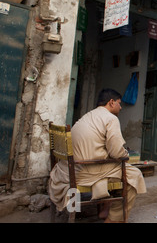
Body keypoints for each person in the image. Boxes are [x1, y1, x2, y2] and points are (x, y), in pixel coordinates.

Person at [48, 88, 146, 223]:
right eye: (119, 103)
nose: (121, 107)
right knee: (135, 175)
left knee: (122, 170)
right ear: (111, 102)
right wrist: (126, 155)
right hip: (86, 170)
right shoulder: (111, 119)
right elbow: (117, 152)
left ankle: (105, 209)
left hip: (68, 169)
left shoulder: (88, 115)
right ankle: (114, 218)